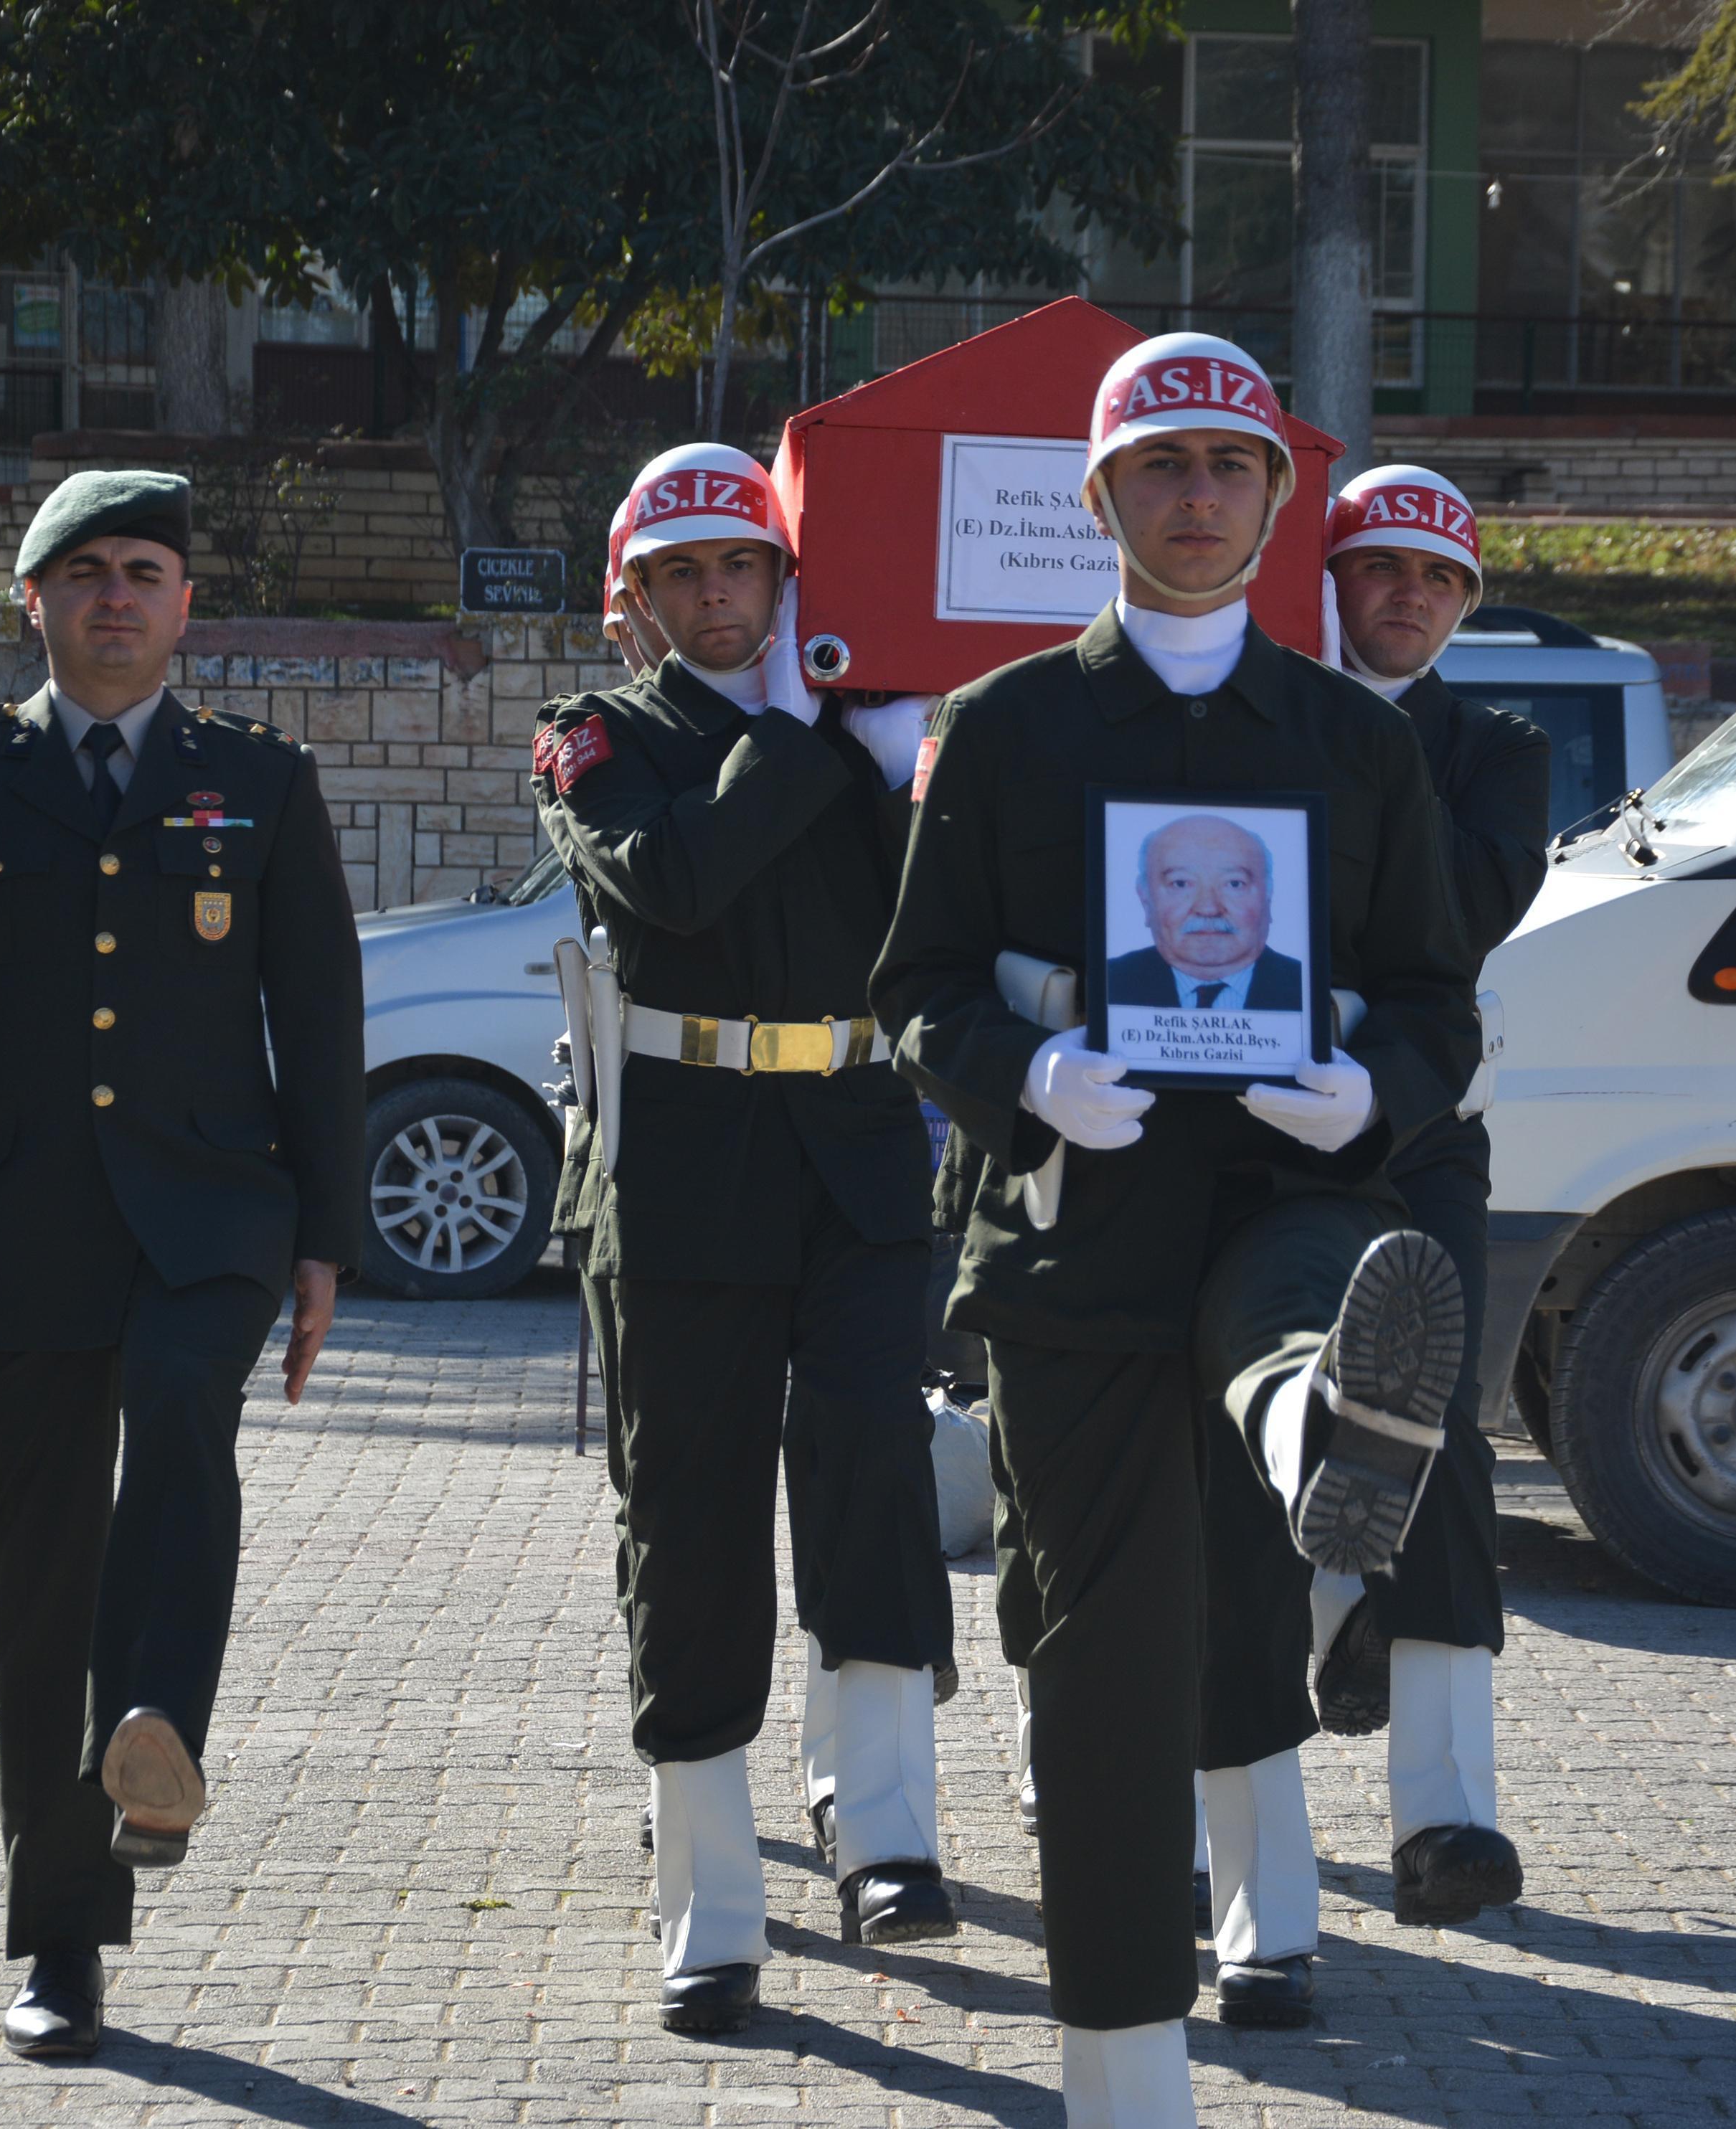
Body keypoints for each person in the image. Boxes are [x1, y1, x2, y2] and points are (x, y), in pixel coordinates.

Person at [874, 336, 1481, 2123]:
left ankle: (1323, 1432)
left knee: (1309, 1322)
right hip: (1080, 1239)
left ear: (1279, 500)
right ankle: (1126, 2076)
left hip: (1294, 1196)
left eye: (1230, 467)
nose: (1198, 496)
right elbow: (912, 986)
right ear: (1100, 499)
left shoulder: (1354, 743)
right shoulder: (1003, 731)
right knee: (1108, 1670)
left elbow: (1436, 1003)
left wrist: (1376, 1100)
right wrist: (1024, 1069)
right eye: (1161, 468)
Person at [0, 469, 364, 2061]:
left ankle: (159, 1733)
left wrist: (329, 1233)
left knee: (182, 1404)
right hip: (20, 1225)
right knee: (39, 1576)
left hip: (214, 1215)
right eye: (84, 573)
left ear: (187, 605)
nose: (117, 596)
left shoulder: (257, 781)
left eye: (145, 571)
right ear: (33, 604)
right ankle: (64, 1935)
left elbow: (321, 1023)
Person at [532, 443, 956, 2037]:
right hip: (683, 1168)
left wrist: (901, 752)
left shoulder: (862, 731)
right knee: (695, 1512)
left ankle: (886, 1821)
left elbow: (950, 905)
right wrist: (798, 735)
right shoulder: (596, 740)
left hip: (853, 1151)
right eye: (683, 576)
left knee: (869, 1460)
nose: (719, 599)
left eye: (745, 570)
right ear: (632, 603)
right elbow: (674, 883)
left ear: (789, 579)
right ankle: (710, 1895)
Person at [1191, 461, 1554, 2030]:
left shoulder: (1496, 748)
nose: (1405, 595)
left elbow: (1462, 909)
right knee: (1270, 1444)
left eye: (1437, 579)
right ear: (1323, 579)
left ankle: (1441, 1817)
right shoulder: (1255, 713)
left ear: (1464, 605)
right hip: (1248, 1138)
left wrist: (1360, 764)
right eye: (1379, 568)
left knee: (1447, 1440)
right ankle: (1323, 1645)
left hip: (1417, 1136)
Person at [1105, 814, 1304, 1010]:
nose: (1208, 908)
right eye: (1181, 883)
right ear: (1145, 900)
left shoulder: (1304, 989)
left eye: (1234, 884)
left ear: (1268, 897)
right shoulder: (1110, 982)